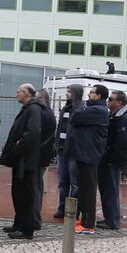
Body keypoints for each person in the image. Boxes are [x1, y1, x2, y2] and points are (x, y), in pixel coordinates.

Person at [0, 83, 44, 239]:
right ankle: (18, 224)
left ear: (26, 93)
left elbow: (33, 132)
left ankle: (27, 229)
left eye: (18, 92)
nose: (16, 94)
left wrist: (19, 146)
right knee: (18, 193)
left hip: (26, 160)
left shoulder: (33, 109)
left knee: (26, 195)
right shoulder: (28, 108)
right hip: (21, 159)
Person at [66, 85, 109, 234]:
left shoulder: (99, 110)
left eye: (92, 92)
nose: (89, 94)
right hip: (83, 153)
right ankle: (83, 219)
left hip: (90, 154)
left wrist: (80, 113)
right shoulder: (93, 109)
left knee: (89, 190)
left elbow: (76, 116)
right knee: (83, 189)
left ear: (98, 96)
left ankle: (89, 223)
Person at [97, 90, 127, 230]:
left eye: (111, 99)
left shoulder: (123, 119)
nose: (108, 101)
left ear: (119, 102)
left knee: (110, 190)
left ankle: (112, 220)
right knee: (107, 190)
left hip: (112, 161)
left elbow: (121, 143)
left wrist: (110, 158)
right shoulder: (116, 116)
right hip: (110, 160)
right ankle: (110, 217)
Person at [54, 85, 83, 219]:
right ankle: (62, 208)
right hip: (62, 150)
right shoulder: (65, 108)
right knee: (62, 182)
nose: (66, 94)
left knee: (74, 183)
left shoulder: (80, 109)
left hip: (73, 152)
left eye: (69, 92)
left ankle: (73, 210)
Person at [33, 89, 58, 229]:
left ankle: (35, 219)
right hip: (42, 155)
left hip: (39, 156)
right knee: (36, 187)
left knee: (35, 188)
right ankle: (35, 218)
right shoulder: (48, 112)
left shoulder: (43, 113)